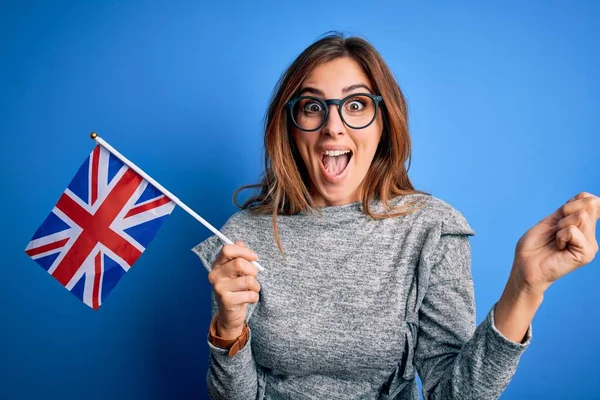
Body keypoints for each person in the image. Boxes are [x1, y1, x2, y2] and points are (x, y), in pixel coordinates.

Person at [192, 32, 599, 400]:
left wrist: (524, 287)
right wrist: (228, 331)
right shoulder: (242, 238)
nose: (333, 127)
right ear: (291, 125)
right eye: (313, 106)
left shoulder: (430, 230)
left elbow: (454, 396)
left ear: (384, 123)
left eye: (356, 105)